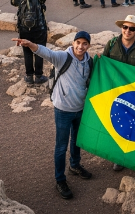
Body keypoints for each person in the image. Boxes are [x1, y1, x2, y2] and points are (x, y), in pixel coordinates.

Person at [13, 32, 94, 200]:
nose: (80, 46)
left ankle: (75, 165)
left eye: (84, 43)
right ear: (73, 43)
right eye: (78, 42)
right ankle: (60, 179)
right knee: (61, 146)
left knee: (77, 140)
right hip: (63, 109)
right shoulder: (63, 57)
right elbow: (46, 52)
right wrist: (30, 45)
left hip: (80, 108)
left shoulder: (89, 61)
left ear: (89, 46)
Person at [103, 14, 135, 171]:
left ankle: (129, 155)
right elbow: (103, 64)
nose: (127, 31)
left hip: (133, 93)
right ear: (121, 28)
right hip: (114, 91)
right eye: (125, 27)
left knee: (132, 124)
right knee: (116, 123)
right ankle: (118, 156)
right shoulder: (111, 44)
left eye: (132, 28)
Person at [11, 0, 49, 85]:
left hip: (24, 29)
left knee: (27, 52)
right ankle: (38, 76)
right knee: (39, 51)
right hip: (39, 28)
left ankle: (29, 77)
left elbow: (13, 2)